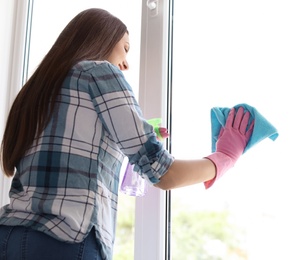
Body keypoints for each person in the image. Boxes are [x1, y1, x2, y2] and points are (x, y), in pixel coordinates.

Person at [0, 8, 254, 260]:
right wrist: (225, 157)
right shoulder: (98, 72)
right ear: (101, 40)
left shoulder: (35, 93)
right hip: (65, 240)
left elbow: (67, 159)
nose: (126, 63)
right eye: (125, 48)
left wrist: (123, 138)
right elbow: (164, 173)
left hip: (9, 237)